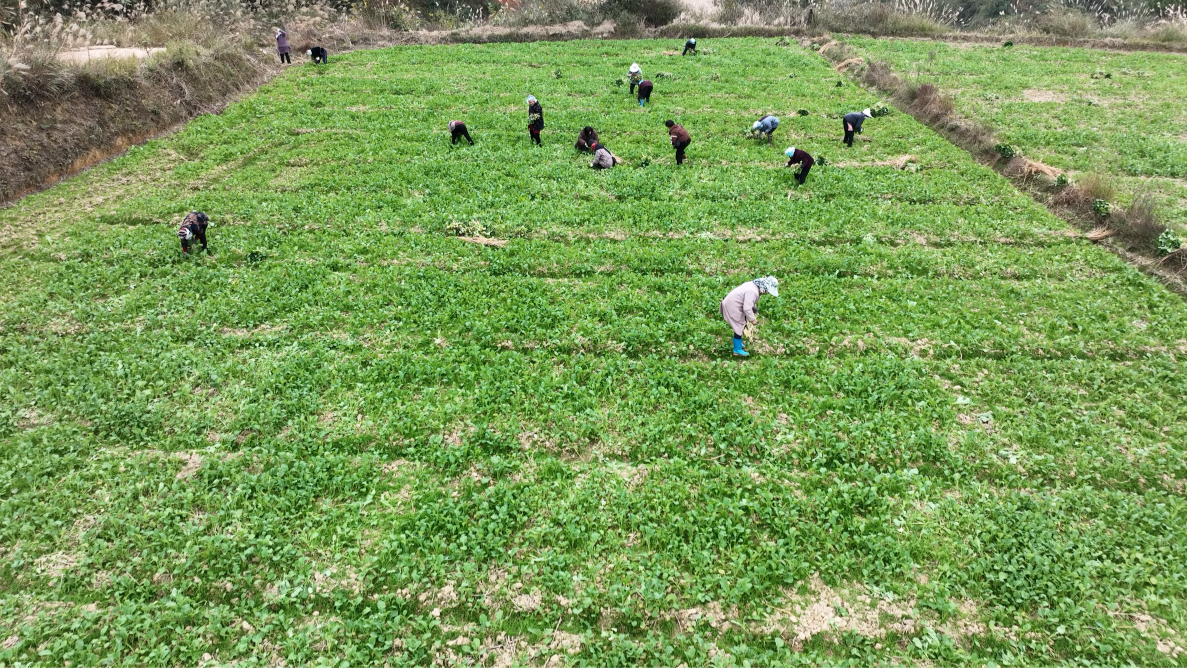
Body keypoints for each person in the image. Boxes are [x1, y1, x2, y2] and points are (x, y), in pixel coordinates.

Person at [720, 276, 779, 357]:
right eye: (767, 291)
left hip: (733, 303)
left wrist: (754, 309)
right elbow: (747, 308)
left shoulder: (753, 285)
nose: (766, 293)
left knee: (741, 323)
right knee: (739, 325)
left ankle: (739, 342)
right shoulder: (753, 291)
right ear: (764, 288)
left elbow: (749, 301)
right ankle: (737, 349)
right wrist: (752, 319)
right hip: (733, 306)